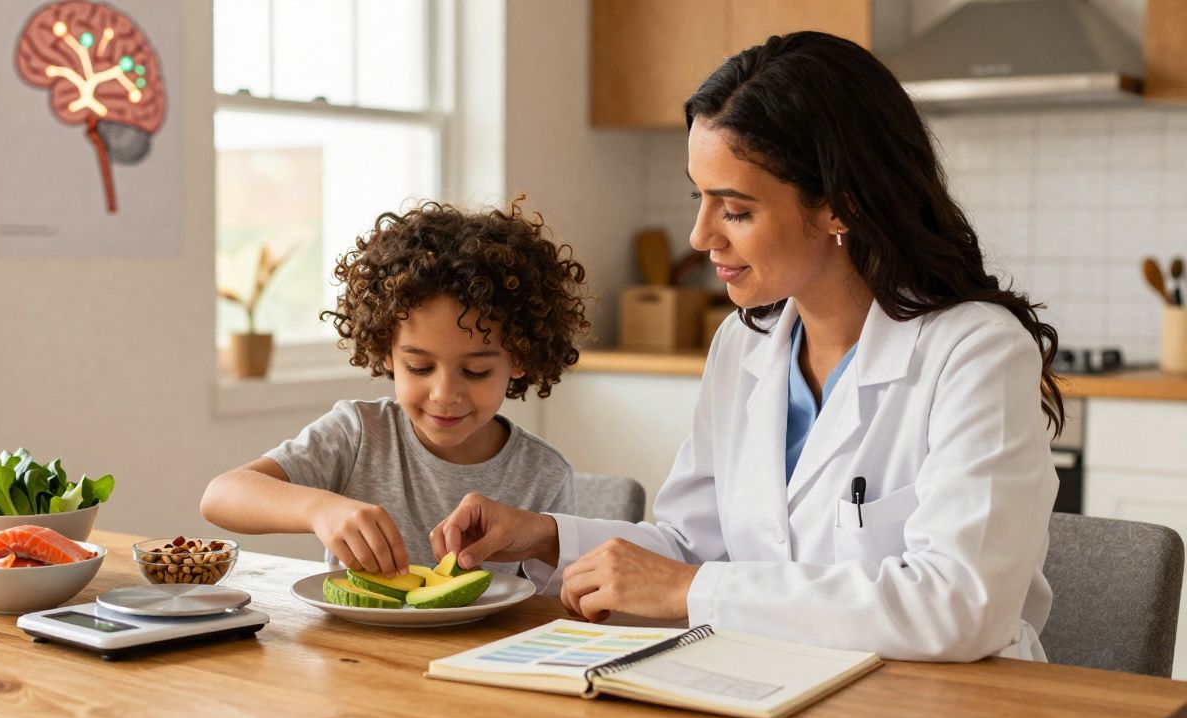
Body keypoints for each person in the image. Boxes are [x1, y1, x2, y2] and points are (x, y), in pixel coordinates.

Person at [429, 32, 1065, 662]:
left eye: (734, 210)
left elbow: (958, 606)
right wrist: (545, 537)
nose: (701, 236)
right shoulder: (745, 344)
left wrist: (691, 588)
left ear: (840, 208)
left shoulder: (975, 351)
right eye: (698, 198)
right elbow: (694, 548)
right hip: (769, 685)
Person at [201, 200, 590, 578]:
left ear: (519, 358)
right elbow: (221, 496)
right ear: (386, 351)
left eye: (475, 371)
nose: (444, 393)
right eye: (419, 367)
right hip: (357, 644)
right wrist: (319, 509)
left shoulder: (543, 473)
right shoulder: (358, 434)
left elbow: (559, 603)